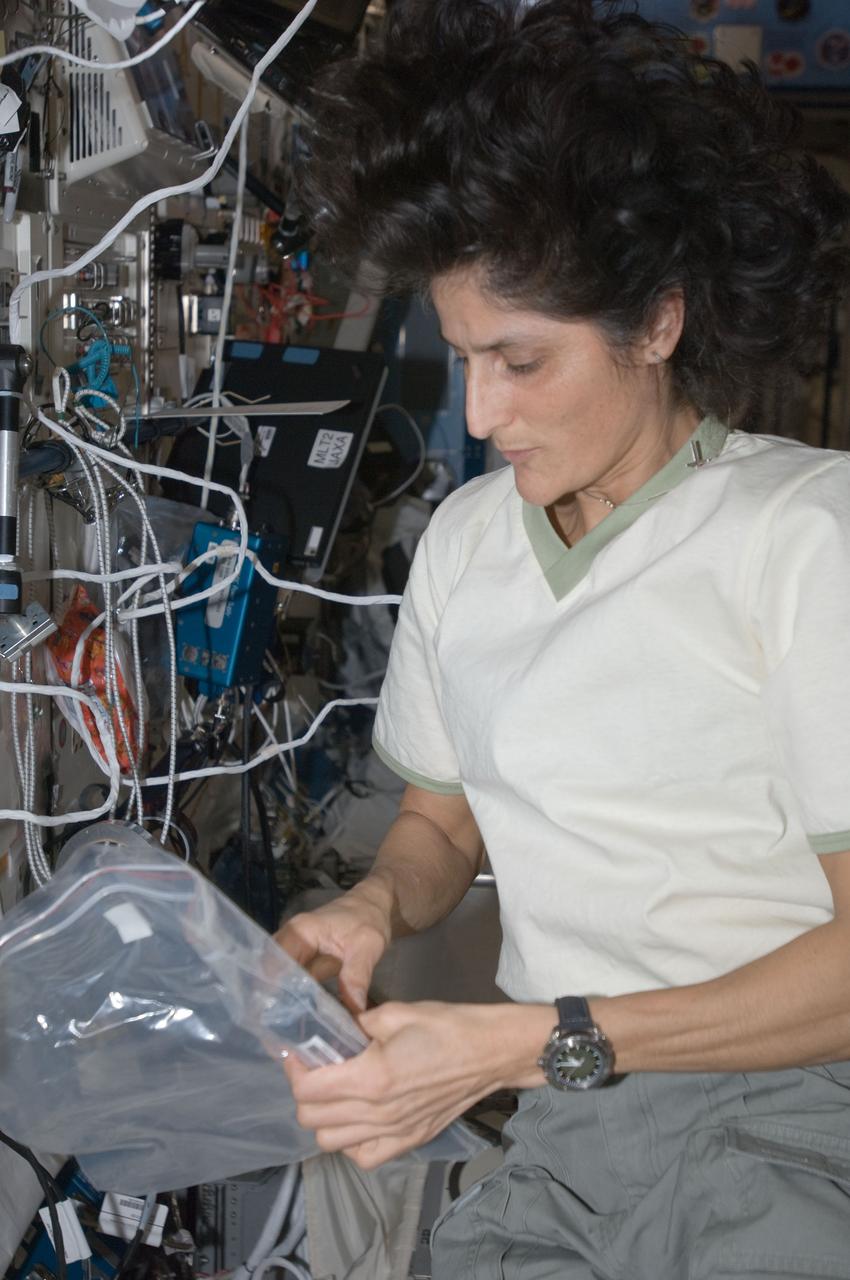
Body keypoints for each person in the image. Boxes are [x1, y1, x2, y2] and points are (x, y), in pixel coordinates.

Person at [275, 2, 850, 1275]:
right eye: (464, 356)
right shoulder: (469, 545)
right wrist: (372, 903)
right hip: (569, 1132)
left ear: (656, 323)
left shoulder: (802, 532)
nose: (481, 414)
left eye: (522, 362)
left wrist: (517, 1039)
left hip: (795, 1113)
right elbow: (441, 820)